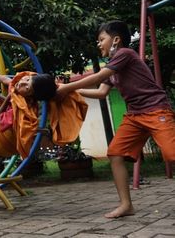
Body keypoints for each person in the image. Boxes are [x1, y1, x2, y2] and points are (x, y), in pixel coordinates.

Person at [56, 20, 175, 219]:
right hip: (135, 115)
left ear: (116, 40)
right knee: (115, 153)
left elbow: (96, 78)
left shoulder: (125, 54)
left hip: (155, 109)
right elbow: (101, 92)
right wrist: (70, 94)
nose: (98, 43)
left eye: (101, 39)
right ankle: (126, 205)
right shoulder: (112, 67)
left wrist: (67, 88)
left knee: (172, 154)